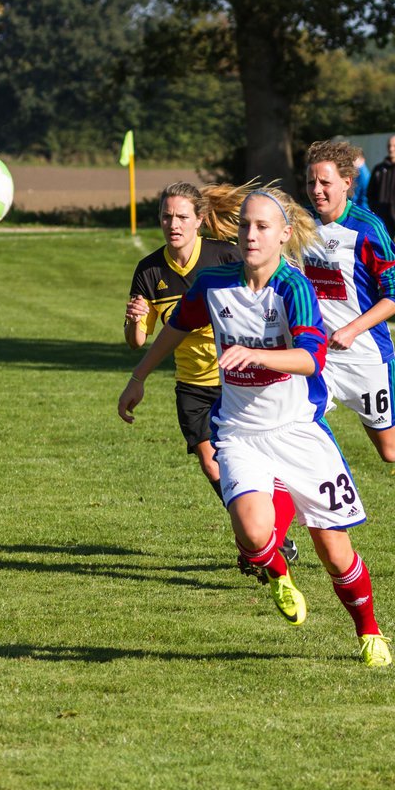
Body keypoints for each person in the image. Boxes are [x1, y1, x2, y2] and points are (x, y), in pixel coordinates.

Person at [117, 186, 393, 668]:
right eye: (245, 225)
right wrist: (138, 376)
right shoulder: (215, 283)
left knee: (335, 553)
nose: (250, 234)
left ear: (284, 235)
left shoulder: (293, 287)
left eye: (263, 227)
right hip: (240, 432)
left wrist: (256, 354)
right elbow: (177, 326)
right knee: (251, 531)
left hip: (299, 430)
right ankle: (279, 575)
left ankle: (369, 632)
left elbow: (312, 357)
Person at [124, 182, 298, 570]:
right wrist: (135, 320)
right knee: (211, 464)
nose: (174, 224)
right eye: (167, 217)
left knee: (256, 460)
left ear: (200, 220)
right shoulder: (150, 271)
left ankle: (262, 535)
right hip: (192, 383)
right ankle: (262, 535)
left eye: (182, 216)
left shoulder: (223, 258)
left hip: (234, 381)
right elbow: (140, 340)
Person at [302, 139, 395, 523]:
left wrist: (352, 328)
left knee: (389, 448)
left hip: (366, 358)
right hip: (317, 358)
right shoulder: (299, 227)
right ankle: (280, 530)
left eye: (325, 182)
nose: (317, 190)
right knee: (292, 427)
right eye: (311, 182)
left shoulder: (368, 228)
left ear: (347, 182)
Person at [368, 134, 395, 244]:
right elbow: (370, 193)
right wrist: (376, 210)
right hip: (383, 220)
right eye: (389, 145)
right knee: (384, 253)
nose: (391, 148)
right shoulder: (379, 169)